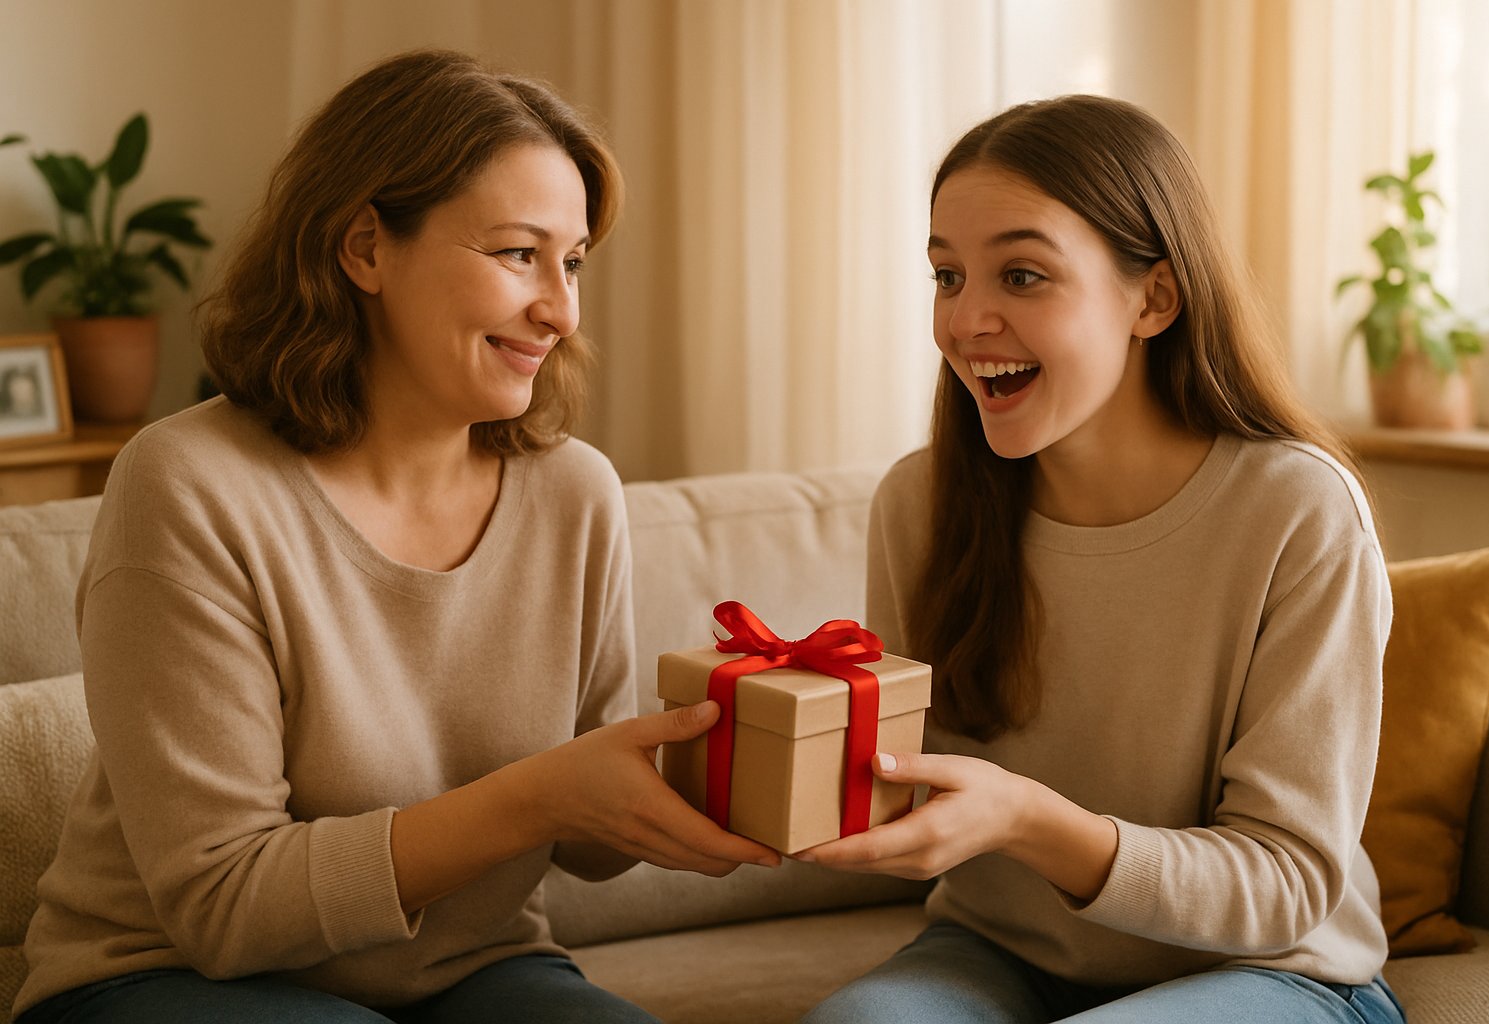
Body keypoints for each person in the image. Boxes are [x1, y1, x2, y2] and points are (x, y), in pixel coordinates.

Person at [13, 49, 777, 1024]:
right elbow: (223, 907)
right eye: (517, 254)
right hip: (169, 976)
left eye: (574, 261)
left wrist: (723, 755)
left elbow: (588, 842)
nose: (561, 307)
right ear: (365, 248)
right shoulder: (191, 484)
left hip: (472, 970)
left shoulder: (575, 494)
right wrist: (543, 795)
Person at [797, 96, 1407, 1023]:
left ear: (1152, 298)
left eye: (1024, 275)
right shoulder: (919, 505)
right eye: (948, 275)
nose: (967, 320)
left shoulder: (1296, 511)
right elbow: (899, 783)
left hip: (1277, 971)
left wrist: (1031, 821)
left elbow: (1289, 880)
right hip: (1001, 952)